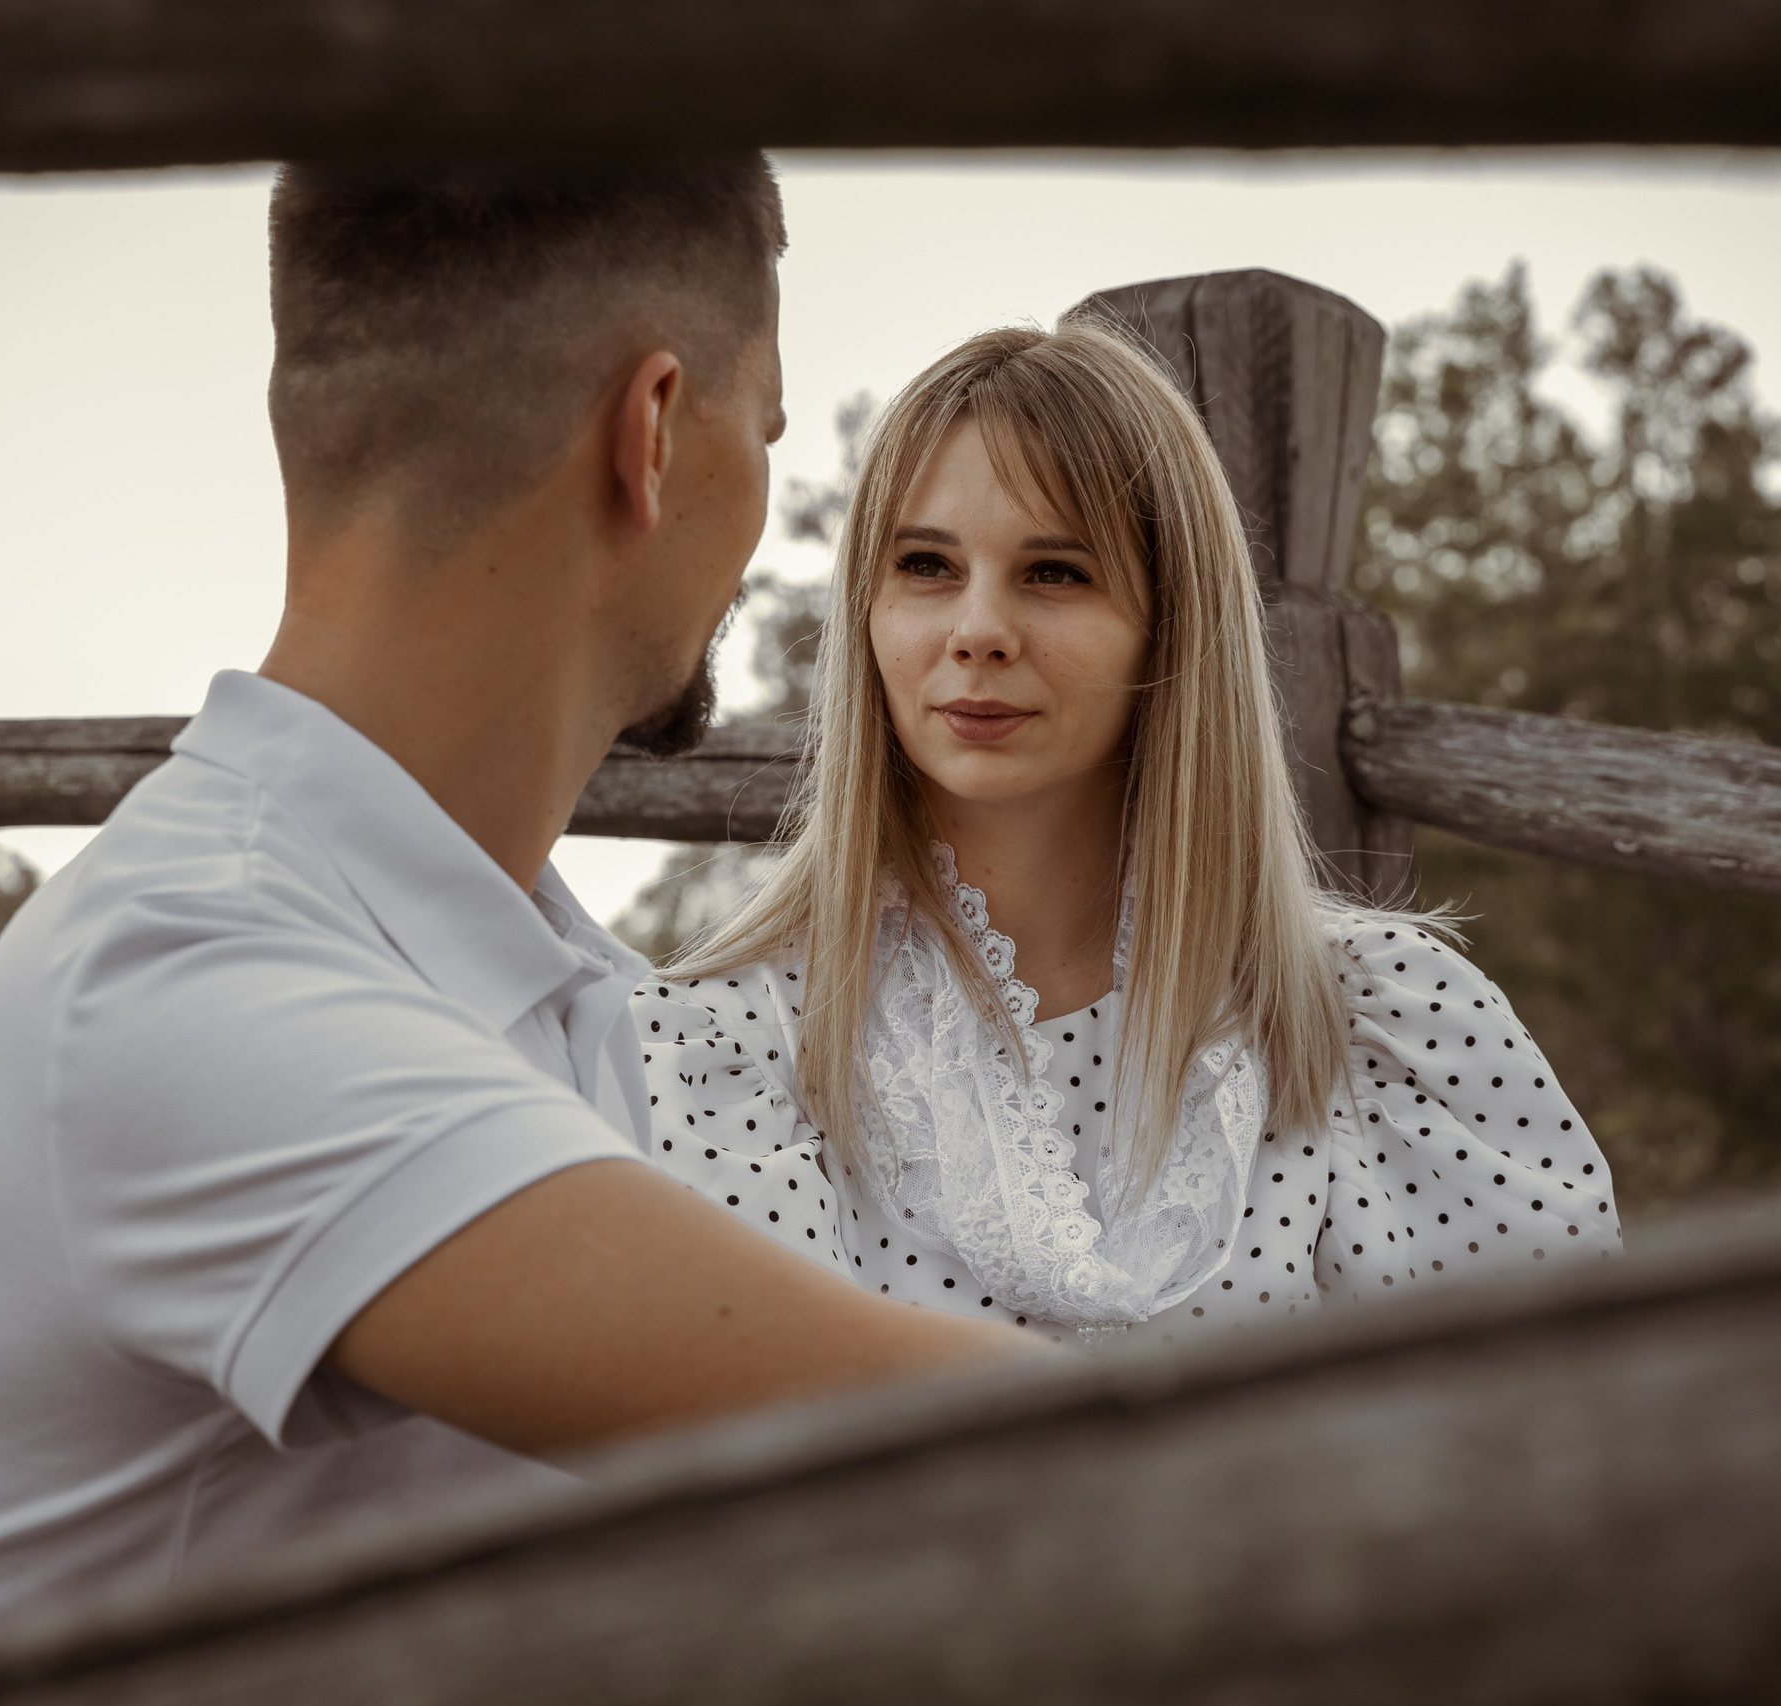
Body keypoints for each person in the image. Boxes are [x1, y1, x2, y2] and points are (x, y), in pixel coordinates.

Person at [0, 158, 1040, 1678]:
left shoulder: (517, 970)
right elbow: (1023, 1462)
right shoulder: (194, 983)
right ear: (651, 434)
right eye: (764, 429)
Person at [636, 319, 1623, 1346]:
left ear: (1173, 624)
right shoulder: (733, 1044)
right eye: (926, 564)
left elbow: (1550, 1436)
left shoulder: (1375, 1024)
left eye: (1054, 571)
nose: (977, 629)